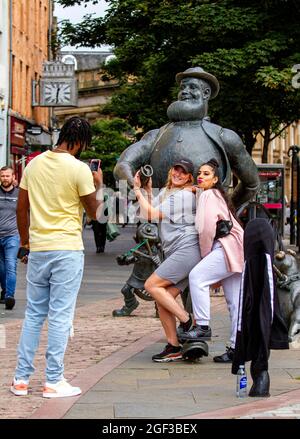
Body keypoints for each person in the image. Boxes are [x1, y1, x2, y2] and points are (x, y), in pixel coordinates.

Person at [113, 66, 259, 315]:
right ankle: (182, 331)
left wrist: (225, 209)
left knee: (195, 280)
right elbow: (123, 164)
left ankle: (194, 330)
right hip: (161, 225)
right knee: (163, 283)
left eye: (192, 88)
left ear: (205, 94)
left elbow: (251, 182)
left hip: (203, 225)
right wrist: (134, 180)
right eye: (182, 88)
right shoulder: (157, 135)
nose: (185, 92)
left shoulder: (223, 137)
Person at [10, 117, 103, 398]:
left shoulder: (33, 163)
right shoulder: (79, 169)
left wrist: (25, 243)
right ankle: (53, 380)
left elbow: (21, 209)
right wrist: (98, 184)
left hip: (39, 248)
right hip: (67, 249)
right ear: (81, 142)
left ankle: (21, 380)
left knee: (34, 315)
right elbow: (95, 214)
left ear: (62, 135)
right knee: (61, 316)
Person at [133, 158, 201, 362]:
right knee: (164, 300)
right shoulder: (168, 192)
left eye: (183, 172)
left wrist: (136, 190)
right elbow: (147, 213)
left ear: (190, 177)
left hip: (187, 249)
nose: (178, 174)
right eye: (176, 170)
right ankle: (173, 346)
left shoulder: (184, 195)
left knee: (151, 285)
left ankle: (189, 323)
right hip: (177, 252)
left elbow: (152, 213)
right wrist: (148, 190)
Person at [180, 159, 244, 363]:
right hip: (238, 247)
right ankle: (237, 348)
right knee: (235, 303)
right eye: (199, 173)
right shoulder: (216, 195)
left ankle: (202, 326)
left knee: (197, 277)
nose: (201, 176)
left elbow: (206, 229)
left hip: (225, 247)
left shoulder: (208, 194)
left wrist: (205, 257)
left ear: (216, 179)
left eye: (206, 174)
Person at [232, 218, 289, 397]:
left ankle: (261, 375)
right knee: (261, 320)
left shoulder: (250, 270)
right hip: (260, 306)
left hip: (256, 312)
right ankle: (260, 376)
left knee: (260, 321)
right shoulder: (261, 269)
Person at [0, 166, 20, 310]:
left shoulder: (19, 194)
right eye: (2, 176)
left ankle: (9, 296)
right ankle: (5, 291)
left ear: (13, 177)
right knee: (1, 268)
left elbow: (26, 214)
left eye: (7, 176)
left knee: (11, 266)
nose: (5, 178)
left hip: (12, 236)